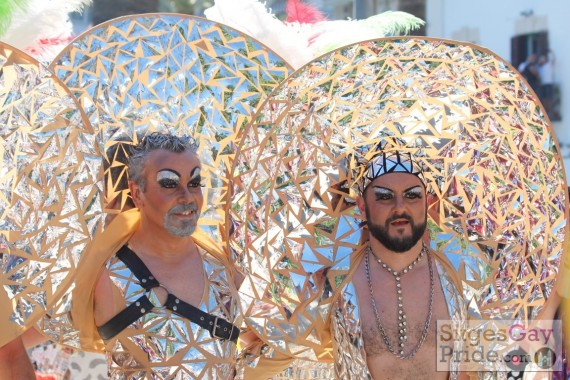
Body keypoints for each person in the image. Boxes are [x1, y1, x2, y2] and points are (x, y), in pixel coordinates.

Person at [71, 132, 242, 378]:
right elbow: (86, 364)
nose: (187, 196)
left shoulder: (223, 268)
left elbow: (258, 346)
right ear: (136, 193)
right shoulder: (106, 278)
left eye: (194, 182)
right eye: (169, 183)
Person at [538, 50, 555, 118]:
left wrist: (552, 53)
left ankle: (550, 111)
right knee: (544, 98)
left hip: (548, 83)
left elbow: (553, 60)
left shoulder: (548, 65)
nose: (542, 60)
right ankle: (546, 111)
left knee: (549, 98)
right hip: (542, 85)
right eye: (541, 59)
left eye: (543, 59)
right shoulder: (539, 68)